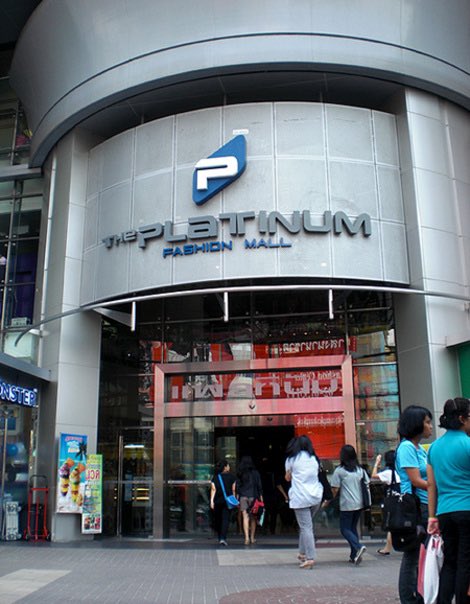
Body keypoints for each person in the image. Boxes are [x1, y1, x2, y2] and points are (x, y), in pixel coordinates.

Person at [427, 398, 470, 604]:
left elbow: (431, 485)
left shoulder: (434, 448)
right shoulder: (468, 444)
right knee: (466, 562)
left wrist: (432, 516)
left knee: (450, 561)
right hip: (467, 509)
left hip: (444, 512)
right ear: (462, 418)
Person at [396, 405, 433, 604]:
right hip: (415, 507)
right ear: (416, 424)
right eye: (427, 422)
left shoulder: (418, 448)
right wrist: (437, 487)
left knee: (420, 554)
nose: (430, 426)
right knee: (412, 555)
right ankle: (408, 598)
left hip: (424, 505)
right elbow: (416, 480)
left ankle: (417, 595)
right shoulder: (407, 447)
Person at [285, 435, 323, 569]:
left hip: (300, 497)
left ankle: (310, 558)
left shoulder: (291, 459)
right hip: (316, 496)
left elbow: (287, 478)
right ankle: (302, 553)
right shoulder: (314, 458)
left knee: (306, 527)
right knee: (306, 525)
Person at [330, 444, 369, 565]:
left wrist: (328, 500)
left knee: (344, 529)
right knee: (352, 528)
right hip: (359, 503)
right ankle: (354, 555)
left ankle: (358, 546)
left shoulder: (340, 471)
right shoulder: (360, 470)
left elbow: (335, 489)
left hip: (347, 504)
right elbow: (367, 483)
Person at [371, 449, 400, 555]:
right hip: (405, 500)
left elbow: (374, 476)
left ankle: (387, 548)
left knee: (392, 525)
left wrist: (376, 463)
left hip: (393, 502)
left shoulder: (389, 473)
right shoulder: (402, 471)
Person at [236, 456, 263, 545]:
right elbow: (259, 486)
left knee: (245, 517)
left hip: (243, 496)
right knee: (253, 518)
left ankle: (246, 538)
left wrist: (238, 497)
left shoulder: (240, 473)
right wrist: (261, 498)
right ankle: (252, 538)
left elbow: (238, 486)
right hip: (253, 496)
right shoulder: (256, 473)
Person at [210, 459, 237, 546]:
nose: (229, 467)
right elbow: (233, 489)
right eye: (228, 465)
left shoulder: (215, 477)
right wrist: (234, 499)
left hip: (217, 501)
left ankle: (219, 537)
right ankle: (223, 538)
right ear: (225, 467)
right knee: (225, 519)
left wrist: (211, 501)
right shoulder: (232, 477)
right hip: (227, 501)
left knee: (218, 519)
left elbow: (213, 489)